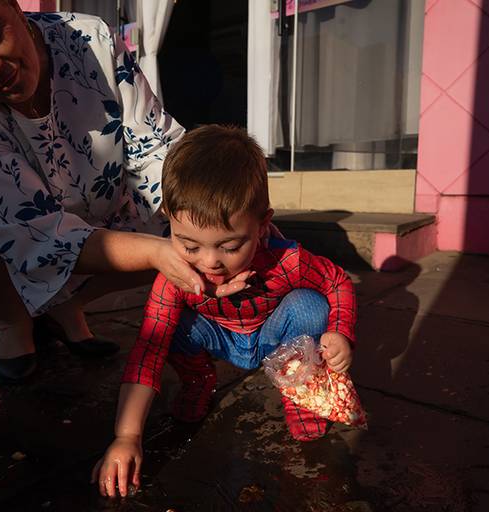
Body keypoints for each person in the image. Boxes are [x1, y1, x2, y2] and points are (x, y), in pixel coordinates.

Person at [0, 1, 250, 383]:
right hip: (27, 233)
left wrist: (226, 216)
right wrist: (156, 253)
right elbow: (34, 236)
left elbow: (155, 151)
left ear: (14, 6)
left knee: (189, 213)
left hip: (108, 203)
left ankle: (66, 309)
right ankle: (14, 318)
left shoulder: (91, 40)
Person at [91, 125, 358, 498]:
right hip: (217, 335)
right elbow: (148, 350)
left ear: (262, 223)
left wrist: (339, 331)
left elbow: (336, 281)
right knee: (169, 325)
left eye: (230, 246)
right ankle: (198, 381)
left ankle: (301, 389)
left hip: (271, 336)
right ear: (169, 218)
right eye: (189, 245)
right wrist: (127, 435)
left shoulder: (288, 261)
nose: (210, 262)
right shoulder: (175, 277)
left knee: (310, 305)